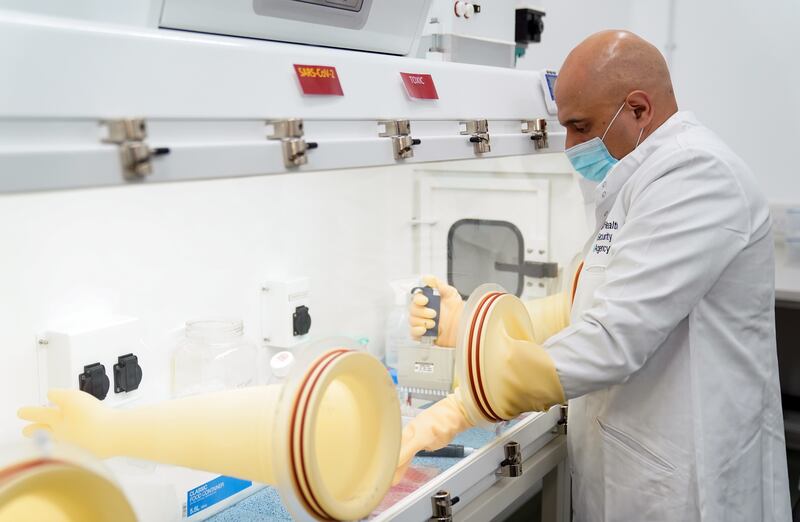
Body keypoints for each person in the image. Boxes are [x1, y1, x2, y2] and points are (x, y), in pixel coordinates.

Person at [402, 30, 792, 521]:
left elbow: (611, 339)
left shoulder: (697, 175)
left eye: (580, 126)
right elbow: (586, 303)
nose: (570, 145)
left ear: (638, 109)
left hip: (690, 481)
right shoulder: (641, 177)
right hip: (639, 460)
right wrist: (467, 328)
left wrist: (463, 405)